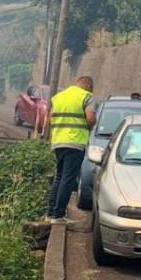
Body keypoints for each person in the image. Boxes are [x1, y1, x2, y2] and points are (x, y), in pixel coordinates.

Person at [45, 76, 97, 223]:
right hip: (75, 142)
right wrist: (90, 127)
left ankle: (50, 213)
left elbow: (49, 120)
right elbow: (90, 119)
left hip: (58, 142)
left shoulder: (59, 97)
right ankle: (58, 215)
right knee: (68, 179)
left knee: (59, 177)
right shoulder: (87, 97)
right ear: (88, 85)